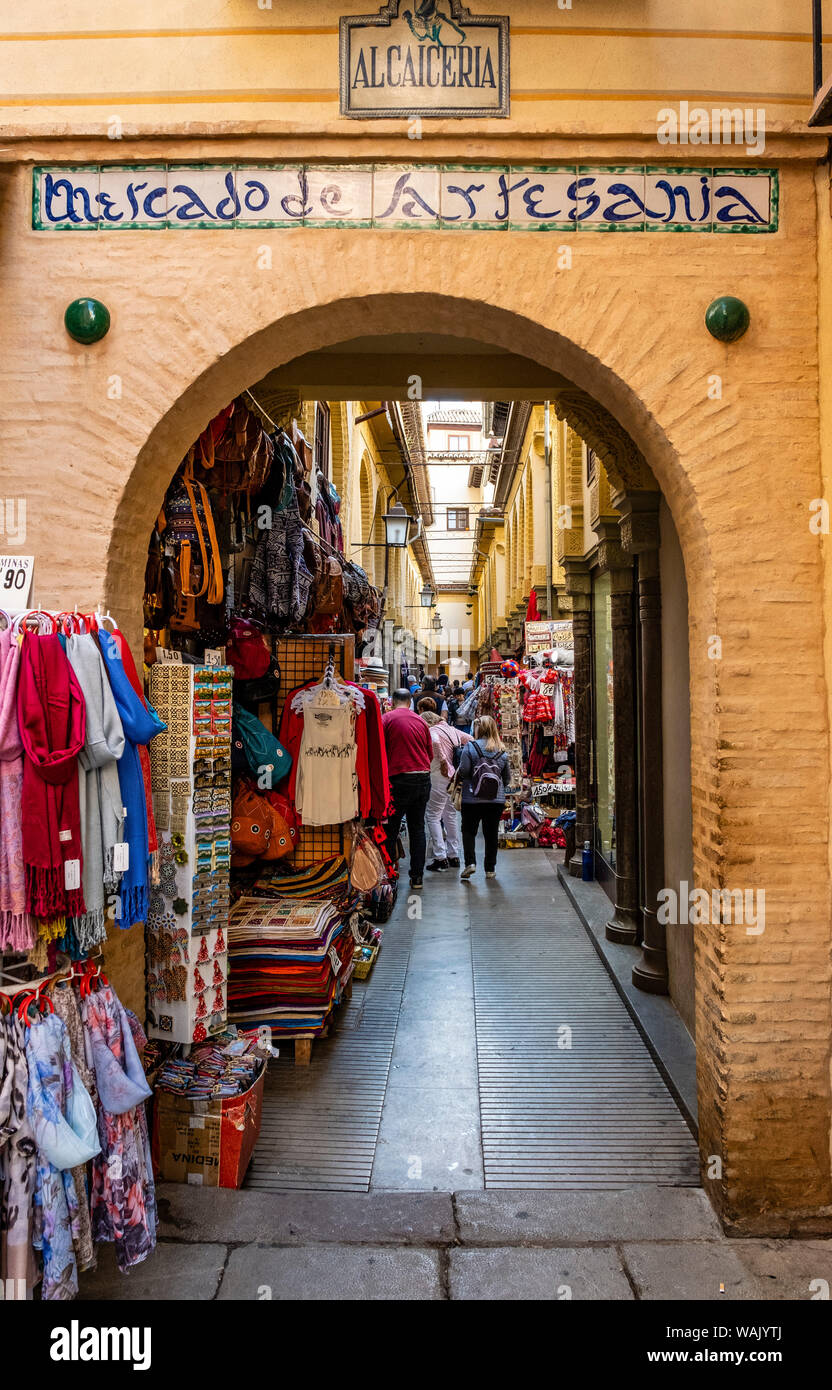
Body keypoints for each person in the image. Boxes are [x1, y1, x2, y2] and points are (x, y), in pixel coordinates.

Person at [382, 688, 434, 890]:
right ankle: (417, 877)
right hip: (422, 778)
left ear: (393, 701)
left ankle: (389, 874)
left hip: (398, 780)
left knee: (391, 828)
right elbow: (429, 754)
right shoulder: (421, 721)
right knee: (418, 828)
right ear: (410, 702)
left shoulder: (387, 719)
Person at [456, 715, 510, 880]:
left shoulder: (470, 747)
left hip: (471, 797)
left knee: (468, 831)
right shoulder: (502, 750)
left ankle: (470, 864)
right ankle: (490, 869)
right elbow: (506, 778)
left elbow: (464, 771)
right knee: (491, 833)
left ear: (479, 729)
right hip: (496, 799)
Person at [418, 701, 471, 872]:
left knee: (433, 816)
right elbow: (470, 740)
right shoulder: (451, 729)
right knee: (450, 815)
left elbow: (433, 741)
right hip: (453, 777)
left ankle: (440, 857)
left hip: (438, 775)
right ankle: (453, 855)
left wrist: (442, 760)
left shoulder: (432, 731)